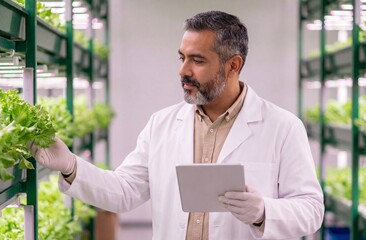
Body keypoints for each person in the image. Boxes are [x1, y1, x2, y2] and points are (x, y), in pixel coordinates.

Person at [28, 10, 324, 240]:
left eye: (197, 60)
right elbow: (124, 191)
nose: (183, 70)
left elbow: (311, 210)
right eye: (182, 58)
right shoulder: (162, 124)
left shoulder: (282, 127)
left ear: (233, 65)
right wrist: (70, 166)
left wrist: (263, 212)